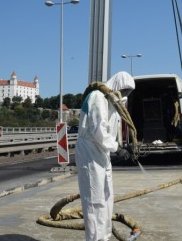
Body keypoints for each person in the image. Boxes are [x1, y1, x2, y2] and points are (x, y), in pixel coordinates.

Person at [75, 71, 135, 241]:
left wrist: (121, 146)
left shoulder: (113, 102)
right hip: (89, 151)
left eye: (128, 92)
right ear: (116, 85)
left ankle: (105, 237)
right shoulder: (97, 97)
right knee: (94, 200)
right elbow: (97, 130)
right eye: (124, 90)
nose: (125, 95)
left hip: (102, 152)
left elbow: (110, 131)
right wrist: (117, 148)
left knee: (107, 197)